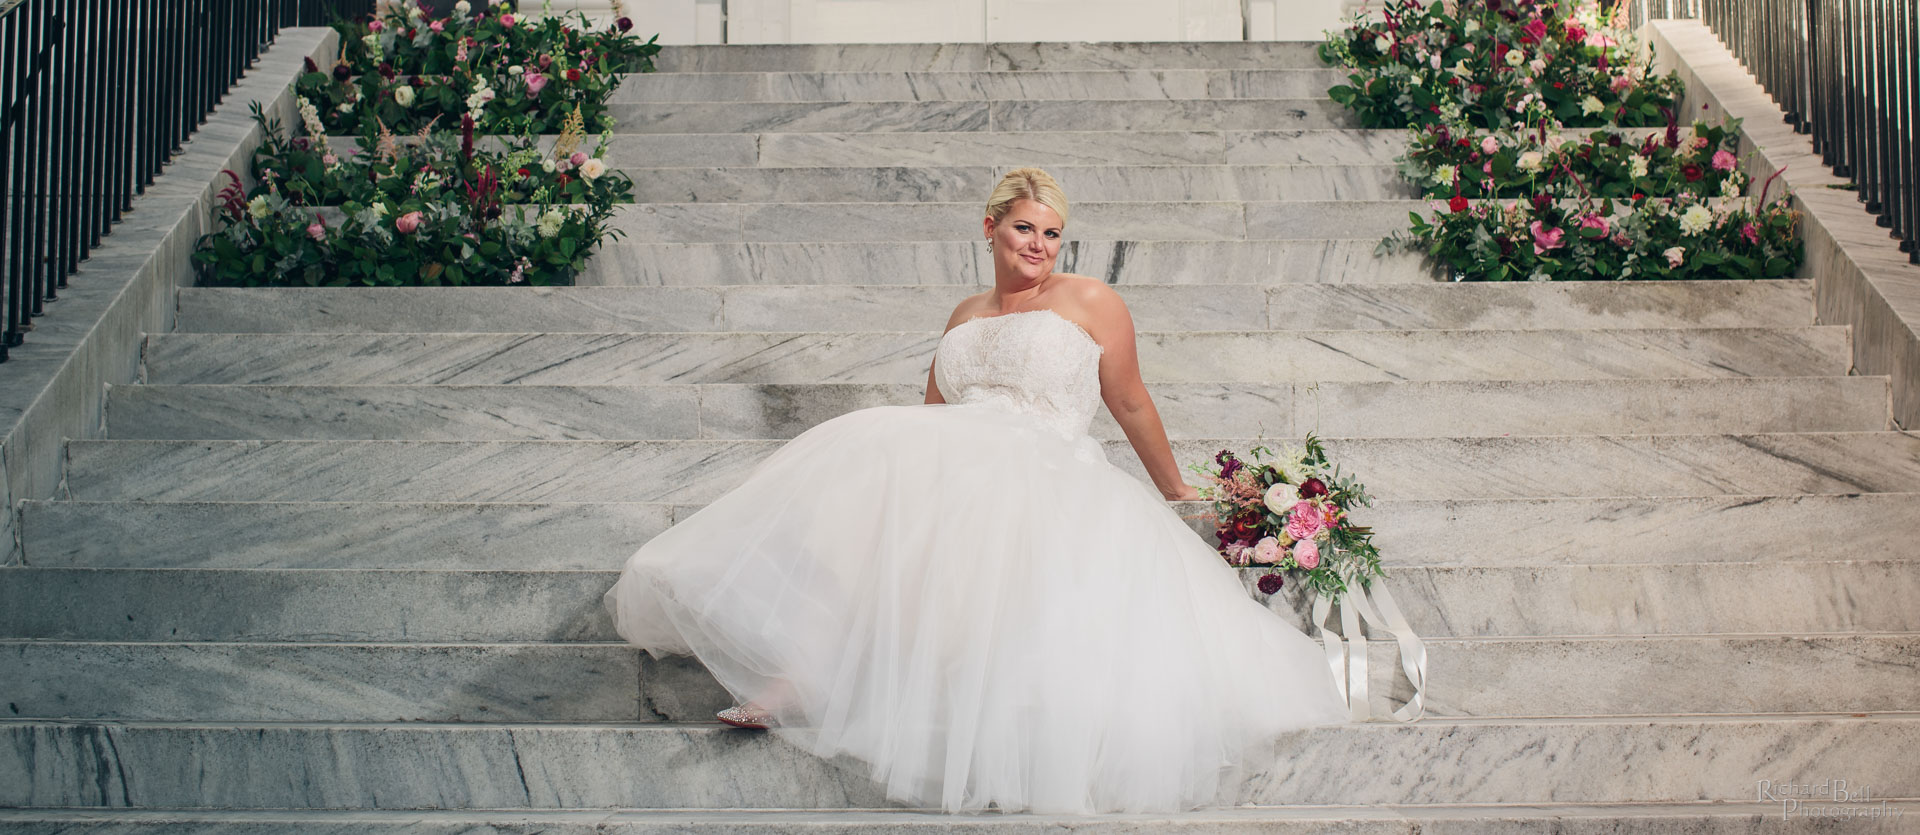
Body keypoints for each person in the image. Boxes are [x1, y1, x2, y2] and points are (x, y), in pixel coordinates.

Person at [602, 167, 1350, 815]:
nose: (1038, 245)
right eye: (1024, 228)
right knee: (872, 479)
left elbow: (1128, 400)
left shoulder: (1090, 300)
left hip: (1046, 464)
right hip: (964, 455)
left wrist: (1176, 485)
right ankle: (800, 675)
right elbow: (933, 414)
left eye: (1052, 233)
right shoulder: (964, 315)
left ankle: (912, 698)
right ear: (989, 227)